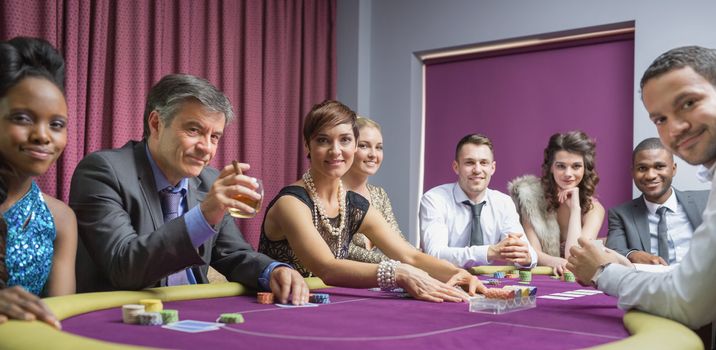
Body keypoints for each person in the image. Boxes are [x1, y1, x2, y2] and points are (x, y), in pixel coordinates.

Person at [69, 74, 307, 304]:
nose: (206, 148)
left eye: (215, 136)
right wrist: (203, 216)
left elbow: (235, 255)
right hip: (124, 320)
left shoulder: (211, 181)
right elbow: (123, 266)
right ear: (156, 124)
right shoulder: (103, 171)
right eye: (194, 130)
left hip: (196, 313)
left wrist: (272, 270)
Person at [258, 100, 485, 302]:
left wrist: (457, 274)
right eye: (323, 140)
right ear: (308, 146)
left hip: (325, 304)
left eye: (345, 140)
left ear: (354, 146)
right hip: (278, 307)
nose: (335, 151)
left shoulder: (353, 204)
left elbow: (409, 254)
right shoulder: (291, 202)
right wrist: (398, 273)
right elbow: (327, 268)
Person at [567, 46, 716, 329]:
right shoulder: (620, 213)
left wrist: (602, 271)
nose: (675, 128)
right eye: (660, 119)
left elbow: (688, 300)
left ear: (673, 168)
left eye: (688, 103)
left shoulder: (703, 196)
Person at [0, 37, 76, 328]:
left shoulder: (62, 219)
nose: (43, 135)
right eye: (22, 118)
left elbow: (60, 320)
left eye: (56, 124)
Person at [420, 134, 537, 269]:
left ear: (492, 168)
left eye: (483, 163)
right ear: (456, 167)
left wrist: (525, 257)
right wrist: (489, 252)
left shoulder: (503, 203)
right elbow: (435, 254)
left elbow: (529, 254)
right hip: (442, 282)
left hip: (488, 285)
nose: (477, 170)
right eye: (469, 162)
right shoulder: (434, 200)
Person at [509, 131, 604, 275]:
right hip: (537, 277)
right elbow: (533, 252)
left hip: (575, 280)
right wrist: (557, 262)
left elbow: (575, 256)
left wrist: (575, 209)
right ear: (551, 168)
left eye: (576, 166)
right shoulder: (529, 197)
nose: (568, 173)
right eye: (561, 166)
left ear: (585, 169)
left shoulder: (594, 210)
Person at [606, 137, 708, 265]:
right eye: (642, 168)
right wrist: (633, 255)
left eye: (659, 166)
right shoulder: (620, 214)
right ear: (632, 172)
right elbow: (614, 250)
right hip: (653, 282)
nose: (650, 175)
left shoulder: (706, 200)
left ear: (673, 169)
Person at [343, 116, 412, 263]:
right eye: (364, 146)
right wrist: (397, 265)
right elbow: (345, 251)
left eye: (379, 147)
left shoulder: (379, 194)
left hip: (373, 279)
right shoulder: (332, 193)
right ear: (350, 148)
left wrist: (424, 261)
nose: (373, 154)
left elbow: (399, 243)